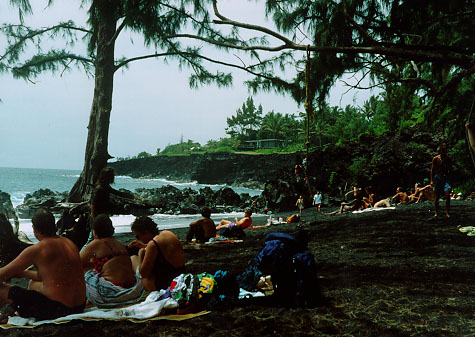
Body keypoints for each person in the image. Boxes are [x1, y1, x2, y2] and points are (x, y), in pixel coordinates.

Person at [0, 209, 86, 320]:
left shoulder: (38, 249)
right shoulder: (68, 243)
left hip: (57, 310)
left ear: (34, 229)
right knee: (34, 283)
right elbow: (50, 276)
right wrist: (23, 273)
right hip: (79, 306)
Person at [80, 214, 144, 307]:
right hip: (132, 292)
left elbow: (76, 262)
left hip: (112, 293)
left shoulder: (97, 243)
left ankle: (84, 299)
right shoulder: (119, 244)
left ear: (95, 232)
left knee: (85, 270)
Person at [129, 216, 185, 291]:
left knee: (133, 258)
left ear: (146, 232)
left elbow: (143, 274)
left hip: (166, 284)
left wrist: (141, 254)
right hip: (180, 276)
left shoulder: (152, 244)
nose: (138, 239)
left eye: (138, 236)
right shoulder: (167, 233)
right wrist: (146, 247)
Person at [431, 144, 453, 217]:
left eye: (444, 150)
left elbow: (450, 169)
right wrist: (431, 181)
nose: (443, 152)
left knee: (447, 194)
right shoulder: (435, 159)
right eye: (442, 150)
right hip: (437, 177)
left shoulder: (448, 159)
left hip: (446, 177)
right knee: (437, 196)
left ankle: (447, 212)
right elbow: (432, 170)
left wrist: (451, 179)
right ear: (439, 151)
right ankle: (436, 212)